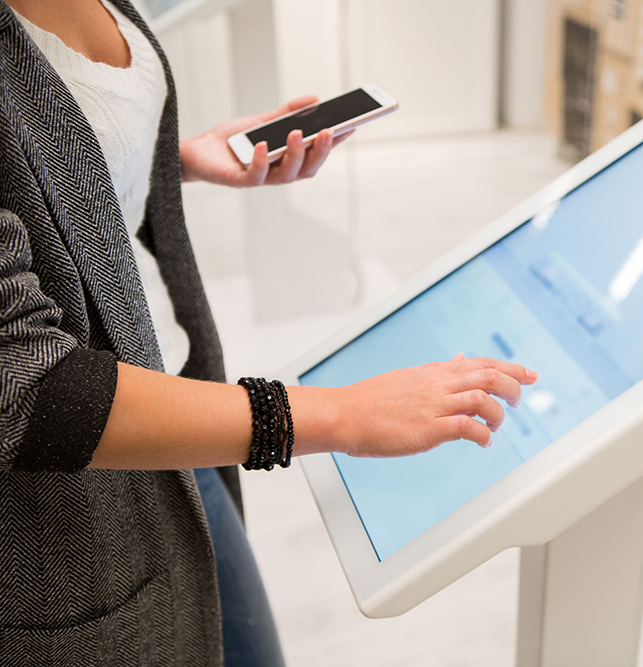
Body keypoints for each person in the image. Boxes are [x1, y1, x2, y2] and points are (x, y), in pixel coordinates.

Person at [0, 1, 536, 665]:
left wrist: (173, 156)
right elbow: (27, 382)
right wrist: (339, 413)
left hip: (175, 412)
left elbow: (51, 171)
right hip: (79, 504)